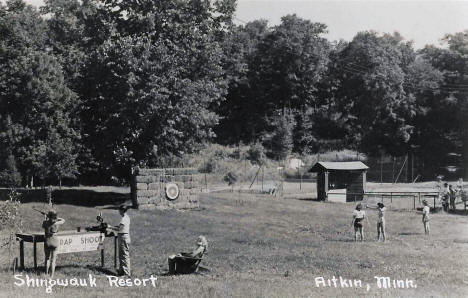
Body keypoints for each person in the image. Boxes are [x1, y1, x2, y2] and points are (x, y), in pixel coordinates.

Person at [42, 210, 65, 277]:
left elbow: (44, 225)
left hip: (47, 241)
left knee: (47, 258)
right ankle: (51, 276)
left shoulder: (45, 222)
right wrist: (56, 218)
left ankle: (46, 274)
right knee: (53, 260)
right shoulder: (57, 223)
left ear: (49, 216)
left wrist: (46, 217)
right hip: (55, 241)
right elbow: (63, 220)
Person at [112, 205, 131, 276]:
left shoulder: (124, 218)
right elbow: (119, 227)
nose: (119, 211)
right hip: (123, 236)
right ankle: (121, 272)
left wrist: (110, 227)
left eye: (119, 210)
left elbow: (119, 229)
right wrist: (111, 227)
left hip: (123, 237)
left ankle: (127, 274)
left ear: (122, 210)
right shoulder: (125, 218)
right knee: (121, 255)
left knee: (124, 255)